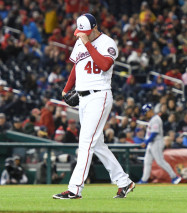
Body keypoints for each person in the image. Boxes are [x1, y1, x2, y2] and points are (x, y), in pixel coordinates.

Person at [53, 14, 135, 200]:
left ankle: (74, 189)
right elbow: (76, 67)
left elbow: (105, 65)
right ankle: (124, 182)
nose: (83, 36)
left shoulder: (108, 42)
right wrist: (66, 90)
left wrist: (88, 44)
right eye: (81, 33)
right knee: (97, 144)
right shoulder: (80, 42)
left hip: (99, 95)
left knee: (86, 143)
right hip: (83, 98)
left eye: (86, 32)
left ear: (95, 28)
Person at [137, 104, 181, 184]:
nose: (145, 115)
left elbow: (154, 133)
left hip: (156, 142)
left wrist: (146, 142)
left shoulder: (156, 119)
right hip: (152, 143)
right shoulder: (152, 119)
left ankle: (174, 177)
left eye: (146, 113)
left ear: (150, 111)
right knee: (147, 161)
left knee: (160, 161)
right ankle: (144, 180)